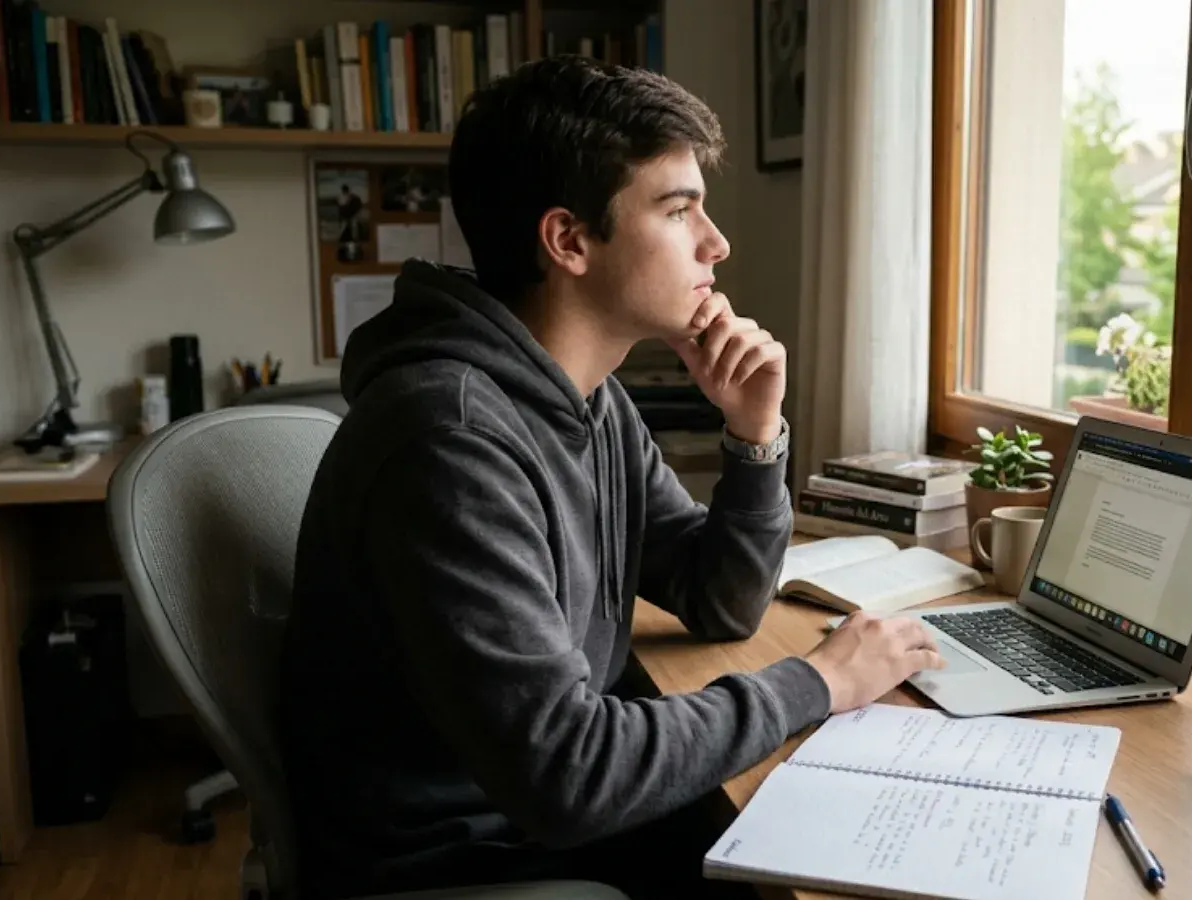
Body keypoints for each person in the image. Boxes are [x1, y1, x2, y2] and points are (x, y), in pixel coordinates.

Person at [278, 55, 945, 900]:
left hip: (539, 821)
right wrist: (819, 681)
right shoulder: (448, 440)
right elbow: (569, 775)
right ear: (568, 240)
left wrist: (753, 434)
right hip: (462, 862)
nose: (717, 243)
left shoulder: (588, 400)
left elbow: (719, 600)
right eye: (679, 210)